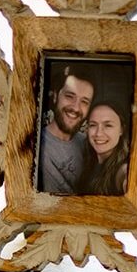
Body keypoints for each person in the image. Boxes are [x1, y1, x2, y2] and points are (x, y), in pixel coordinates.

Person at [37, 67, 94, 195]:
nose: (76, 108)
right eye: (69, 96)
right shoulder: (36, 147)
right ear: (56, 96)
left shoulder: (88, 143)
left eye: (84, 102)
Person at [77, 98, 131, 197]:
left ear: (121, 130)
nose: (98, 133)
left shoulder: (123, 170)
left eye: (108, 125)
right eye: (93, 125)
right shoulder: (89, 161)